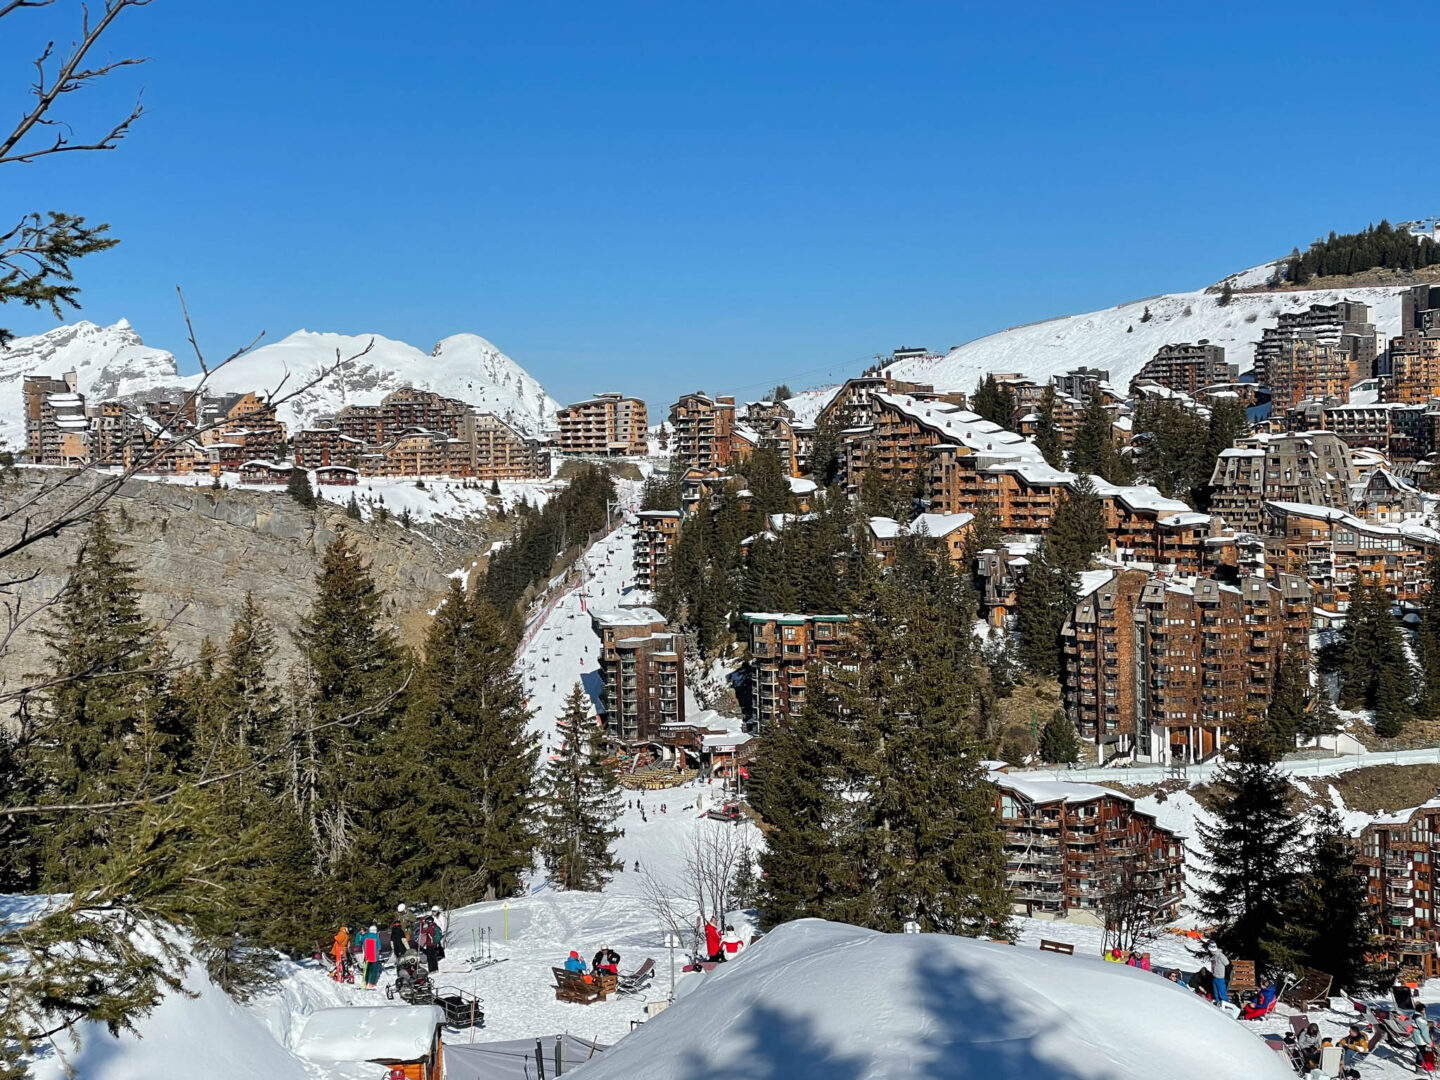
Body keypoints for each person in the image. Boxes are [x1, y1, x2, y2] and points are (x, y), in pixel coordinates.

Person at [361, 924, 383, 990]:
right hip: (374, 957)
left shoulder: (365, 937)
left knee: (366, 970)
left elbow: (363, 945)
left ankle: (365, 982)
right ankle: (371, 983)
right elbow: (379, 947)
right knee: (374, 971)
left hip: (367, 957)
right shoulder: (376, 937)